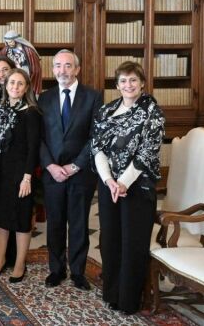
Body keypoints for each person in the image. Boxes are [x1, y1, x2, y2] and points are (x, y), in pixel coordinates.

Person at [91, 61, 165, 314]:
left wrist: (123, 182)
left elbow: (147, 152)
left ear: (142, 82)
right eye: (123, 80)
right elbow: (96, 147)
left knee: (132, 243)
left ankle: (129, 301)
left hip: (137, 187)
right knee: (110, 240)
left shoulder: (152, 111)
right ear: (117, 84)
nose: (128, 85)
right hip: (109, 185)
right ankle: (112, 294)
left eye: (133, 80)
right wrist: (110, 180)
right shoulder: (106, 110)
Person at [38, 50, 102, 290]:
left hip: (81, 173)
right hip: (52, 173)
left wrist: (75, 165)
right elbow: (39, 138)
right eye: (57, 66)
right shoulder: (44, 98)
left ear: (77, 69)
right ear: (53, 69)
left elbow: (96, 137)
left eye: (67, 66)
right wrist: (51, 166)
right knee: (54, 223)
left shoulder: (93, 97)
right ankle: (56, 270)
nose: (62, 71)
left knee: (78, 224)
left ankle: (77, 272)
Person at [0, 69, 41, 284]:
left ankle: (19, 264)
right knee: (0, 219)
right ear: (5, 85)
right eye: (12, 83)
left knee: (21, 219)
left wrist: (27, 177)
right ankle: (0, 260)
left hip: (21, 175)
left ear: (26, 87)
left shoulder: (31, 113)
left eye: (20, 84)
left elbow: (33, 149)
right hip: (0, 172)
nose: (15, 87)